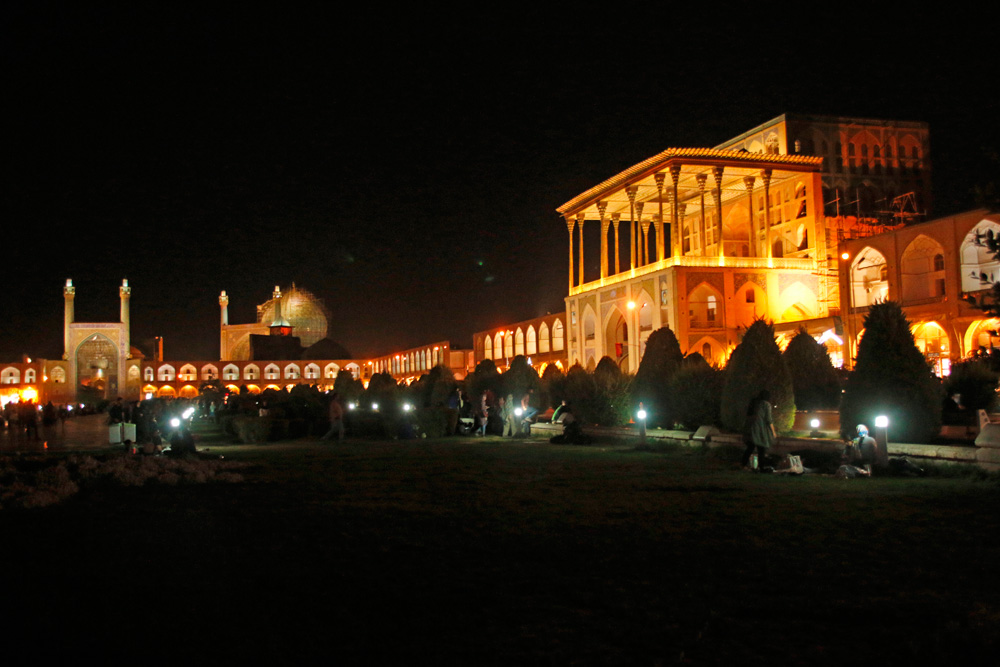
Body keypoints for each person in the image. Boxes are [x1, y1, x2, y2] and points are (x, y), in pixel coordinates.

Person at [741, 389, 775, 470]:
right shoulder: (766, 404)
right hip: (759, 428)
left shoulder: (754, 403)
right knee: (761, 448)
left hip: (749, 428)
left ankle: (743, 465)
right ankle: (761, 467)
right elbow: (768, 419)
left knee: (750, 447)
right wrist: (773, 432)